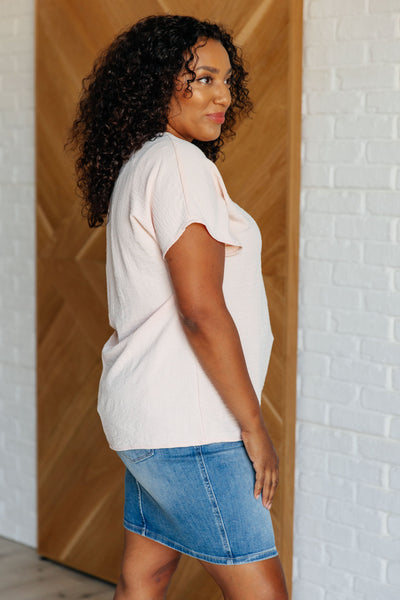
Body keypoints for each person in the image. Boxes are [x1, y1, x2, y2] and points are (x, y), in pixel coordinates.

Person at [70, 14, 288, 600]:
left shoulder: (145, 162)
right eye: (204, 79)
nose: (223, 96)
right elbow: (201, 310)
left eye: (227, 81)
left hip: (151, 420)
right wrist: (254, 428)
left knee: (145, 577)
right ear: (157, 83)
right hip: (194, 426)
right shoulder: (179, 166)